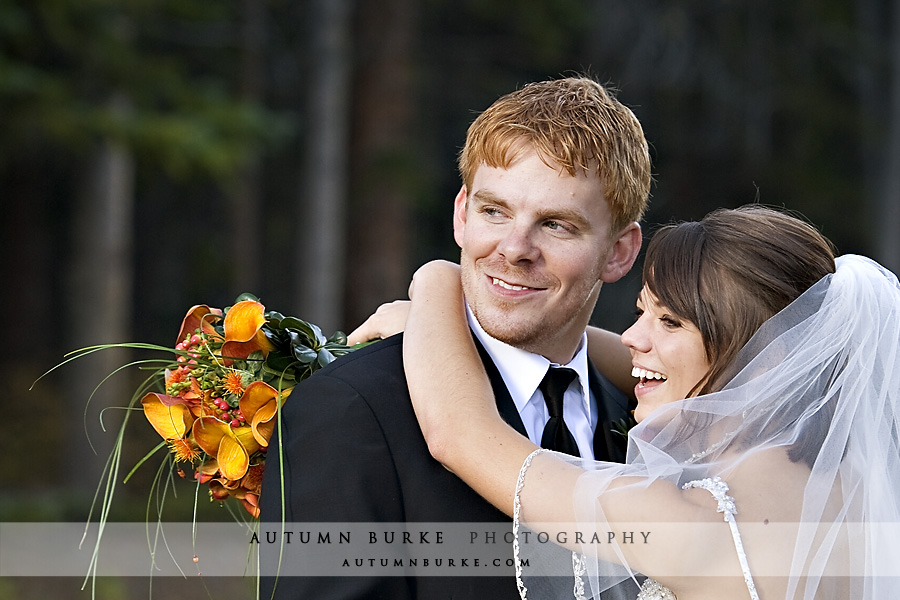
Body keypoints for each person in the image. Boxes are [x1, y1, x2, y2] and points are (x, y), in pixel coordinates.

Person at [258, 75, 652, 599]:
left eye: (556, 225)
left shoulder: (651, 420)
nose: (514, 249)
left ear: (620, 252)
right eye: (495, 211)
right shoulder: (355, 407)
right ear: (462, 214)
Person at [390, 205, 900, 599]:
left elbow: (460, 434)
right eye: (642, 312)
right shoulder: (849, 491)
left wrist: (440, 284)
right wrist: (496, 328)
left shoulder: (687, 520)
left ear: (769, 361)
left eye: (669, 321)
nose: (633, 337)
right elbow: (651, 364)